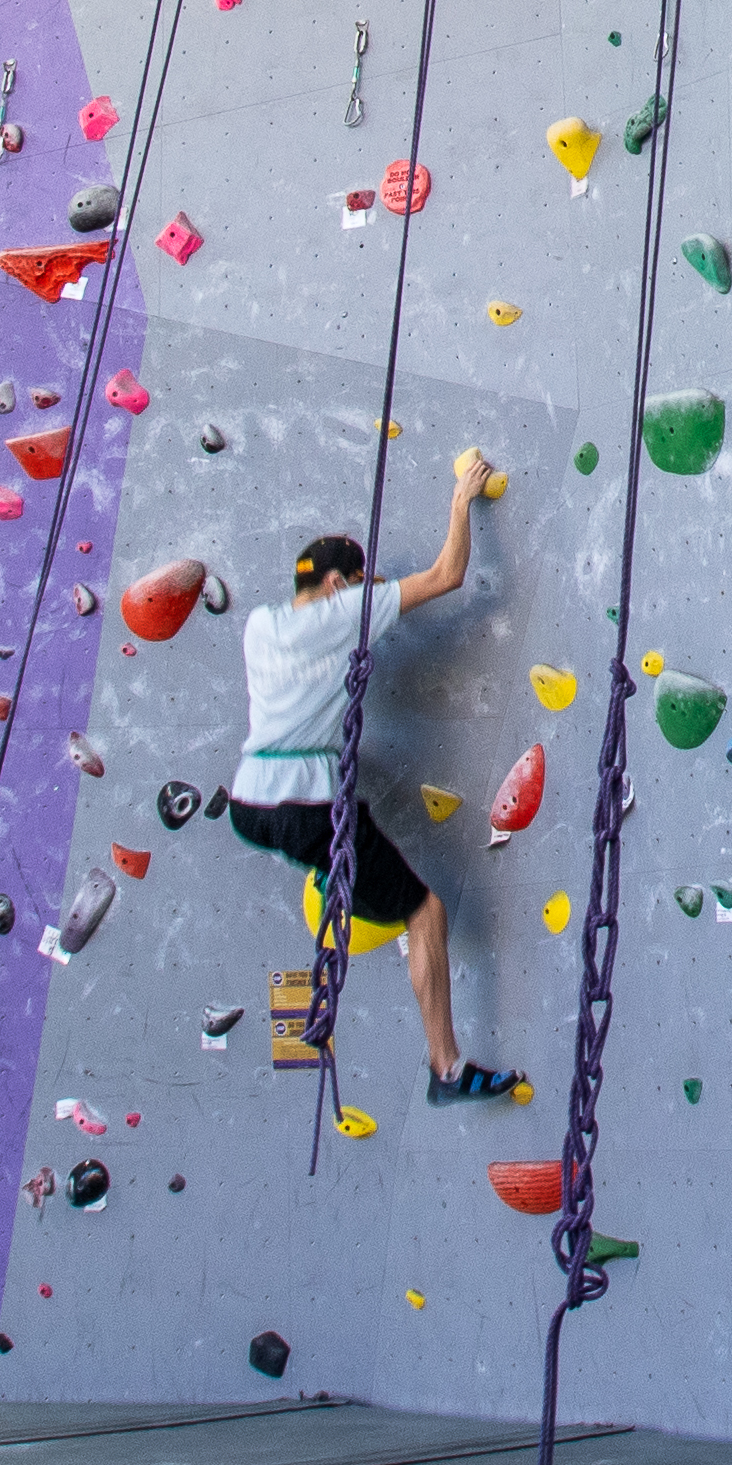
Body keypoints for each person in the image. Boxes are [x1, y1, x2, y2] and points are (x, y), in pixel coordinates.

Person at [223, 449, 522, 1106]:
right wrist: (461, 499)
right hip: (308, 804)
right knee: (426, 910)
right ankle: (447, 1070)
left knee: (352, 847)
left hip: (251, 803)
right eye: (356, 587)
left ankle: (343, 884)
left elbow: (338, 609)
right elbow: (447, 575)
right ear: (337, 589)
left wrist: (362, 589)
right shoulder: (342, 615)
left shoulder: (261, 626)